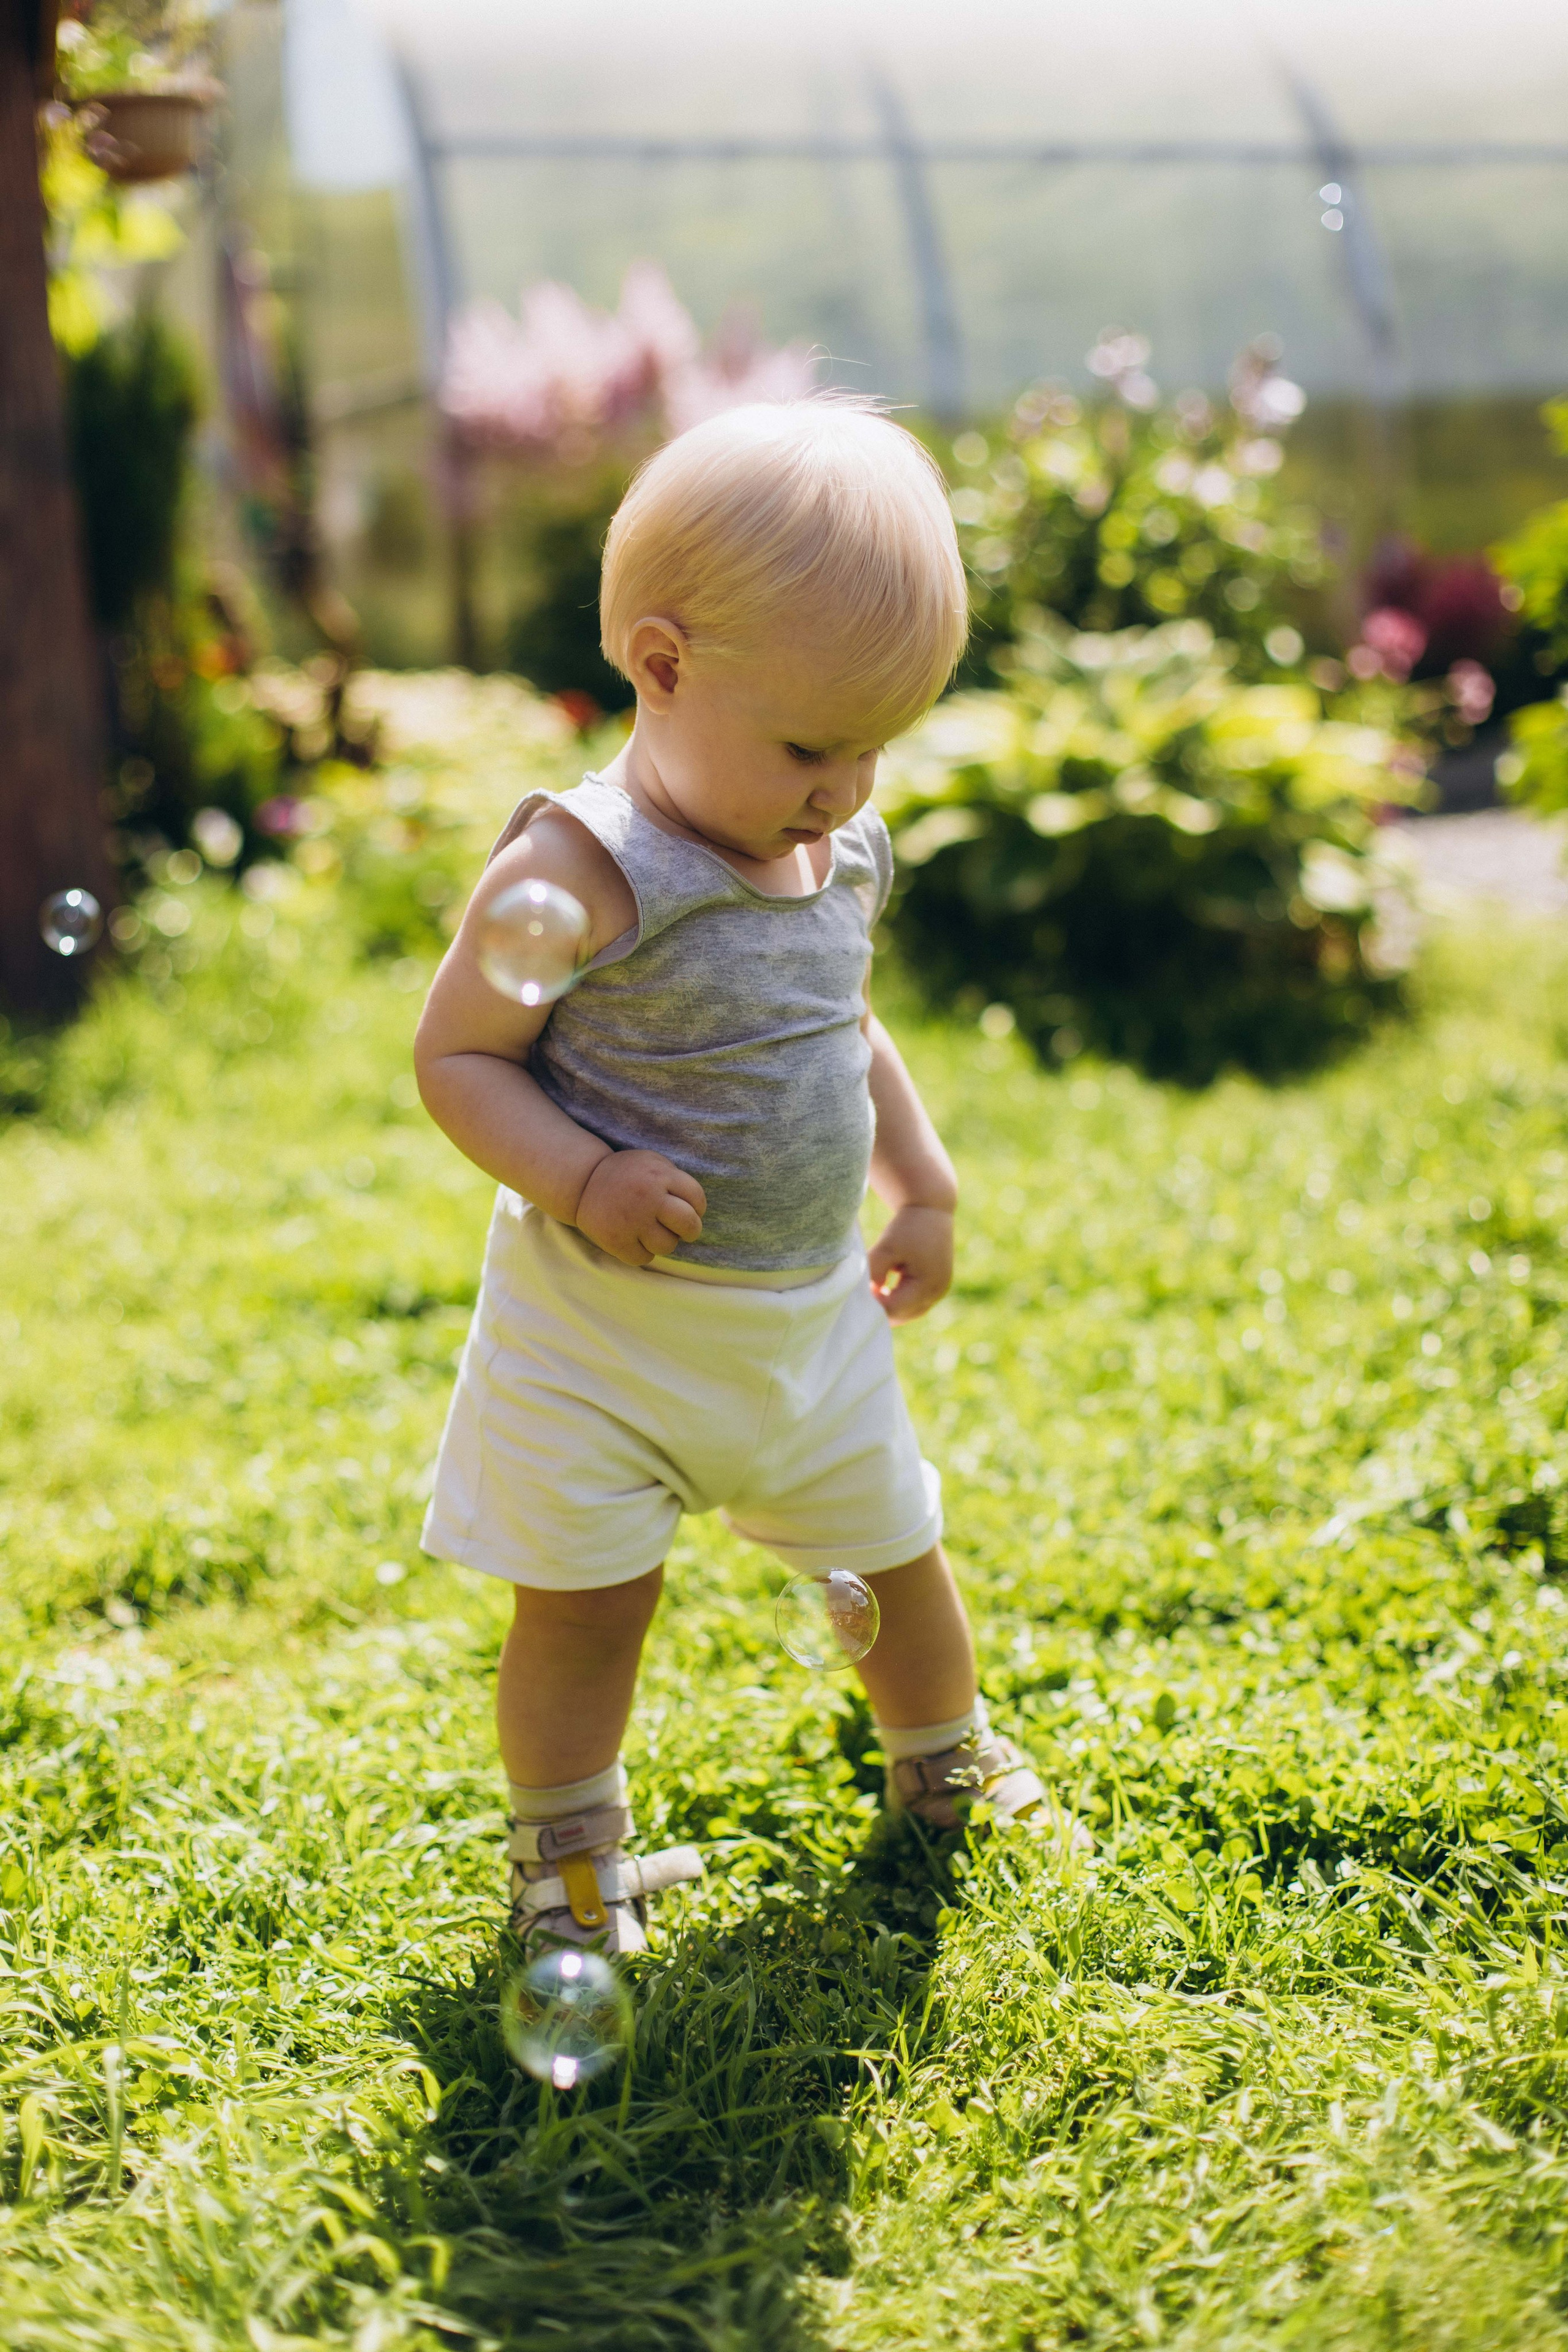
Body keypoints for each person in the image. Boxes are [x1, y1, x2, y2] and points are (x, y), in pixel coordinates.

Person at [415, 399, 1044, 1955]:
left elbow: (842, 1020)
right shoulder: (577, 872)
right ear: (664, 663)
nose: (844, 787)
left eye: (875, 744)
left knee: (894, 1555)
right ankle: (566, 1862)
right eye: (810, 745)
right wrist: (582, 1175)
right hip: (604, 1342)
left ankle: (939, 1758)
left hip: (803, 1327)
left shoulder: (837, 843)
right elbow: (458, 1060)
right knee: (585, 1610)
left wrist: (925, 1176)